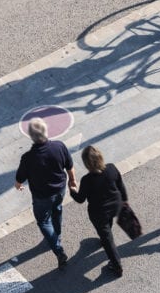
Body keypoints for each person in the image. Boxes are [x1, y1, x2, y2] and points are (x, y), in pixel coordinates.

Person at [15, 118, 76, 268]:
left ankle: (58, 249)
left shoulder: (28, 158)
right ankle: (57, 234)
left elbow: (19, 178)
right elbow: (69, 165)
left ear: (30, 136)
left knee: (43, 221)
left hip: (41, 196)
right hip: (60, 189)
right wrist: (72, 181)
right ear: (46, 131)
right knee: (57, 209)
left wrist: (18, 185)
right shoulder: (59, 146)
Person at [70, 146, 128, 277]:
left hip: (99, 213)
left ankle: (116, 265)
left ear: (86, 164)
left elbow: (80, 199)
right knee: (108, 225)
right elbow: (120, 185)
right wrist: (124, 200)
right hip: (115, 206)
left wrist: (72, 191)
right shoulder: (112, 168)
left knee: (108, 239)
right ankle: (104, 238)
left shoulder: (87, 180)